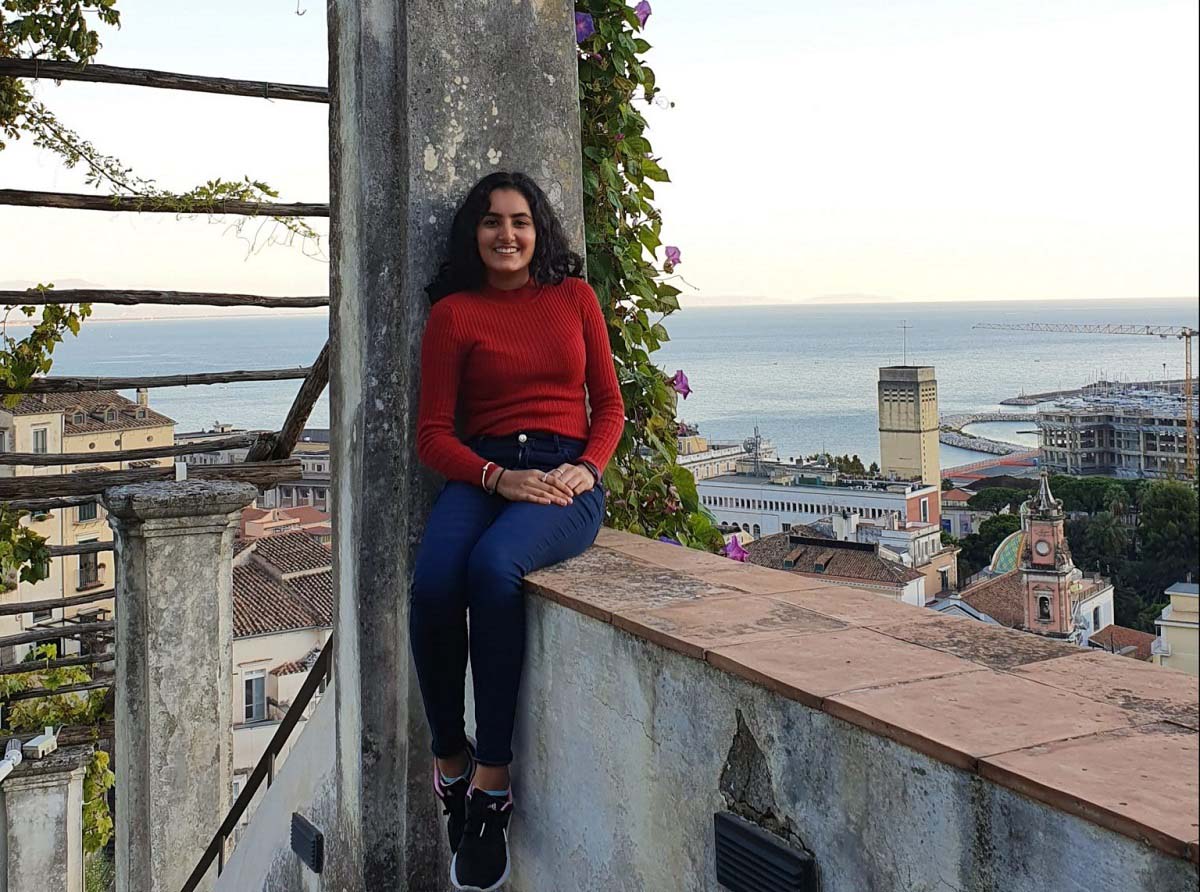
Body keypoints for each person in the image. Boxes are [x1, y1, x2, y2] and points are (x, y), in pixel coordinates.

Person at [410, 171, 624, 891]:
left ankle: (493, 781)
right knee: (434, 583)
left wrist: (587, 469)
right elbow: (433, 435)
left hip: (564, 476)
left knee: (494, 567)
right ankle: (451, 760)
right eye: (493, 221)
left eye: (520, 221)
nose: (507, 234)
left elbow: (610, 407)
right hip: (486, 473)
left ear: (540, 231)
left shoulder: (575, 298)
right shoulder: (454, 316)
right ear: (474, 233)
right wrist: (496, 478)